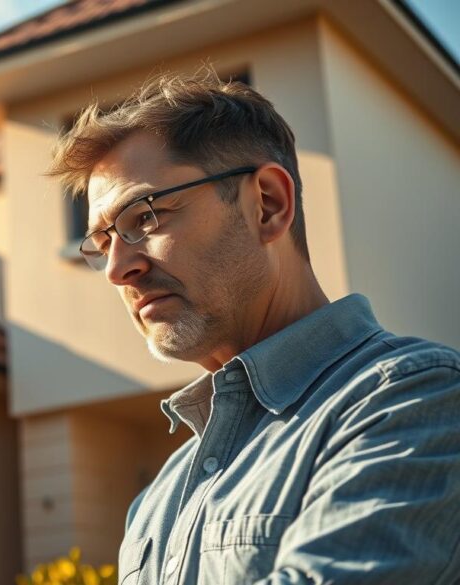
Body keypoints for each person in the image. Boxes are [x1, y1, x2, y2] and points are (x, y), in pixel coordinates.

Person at [46, 68, 460, 584]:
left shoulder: (409, 399)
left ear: (268, 204)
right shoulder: (157, 500)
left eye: (145, 217)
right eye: (103, 242)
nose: (116, 269)